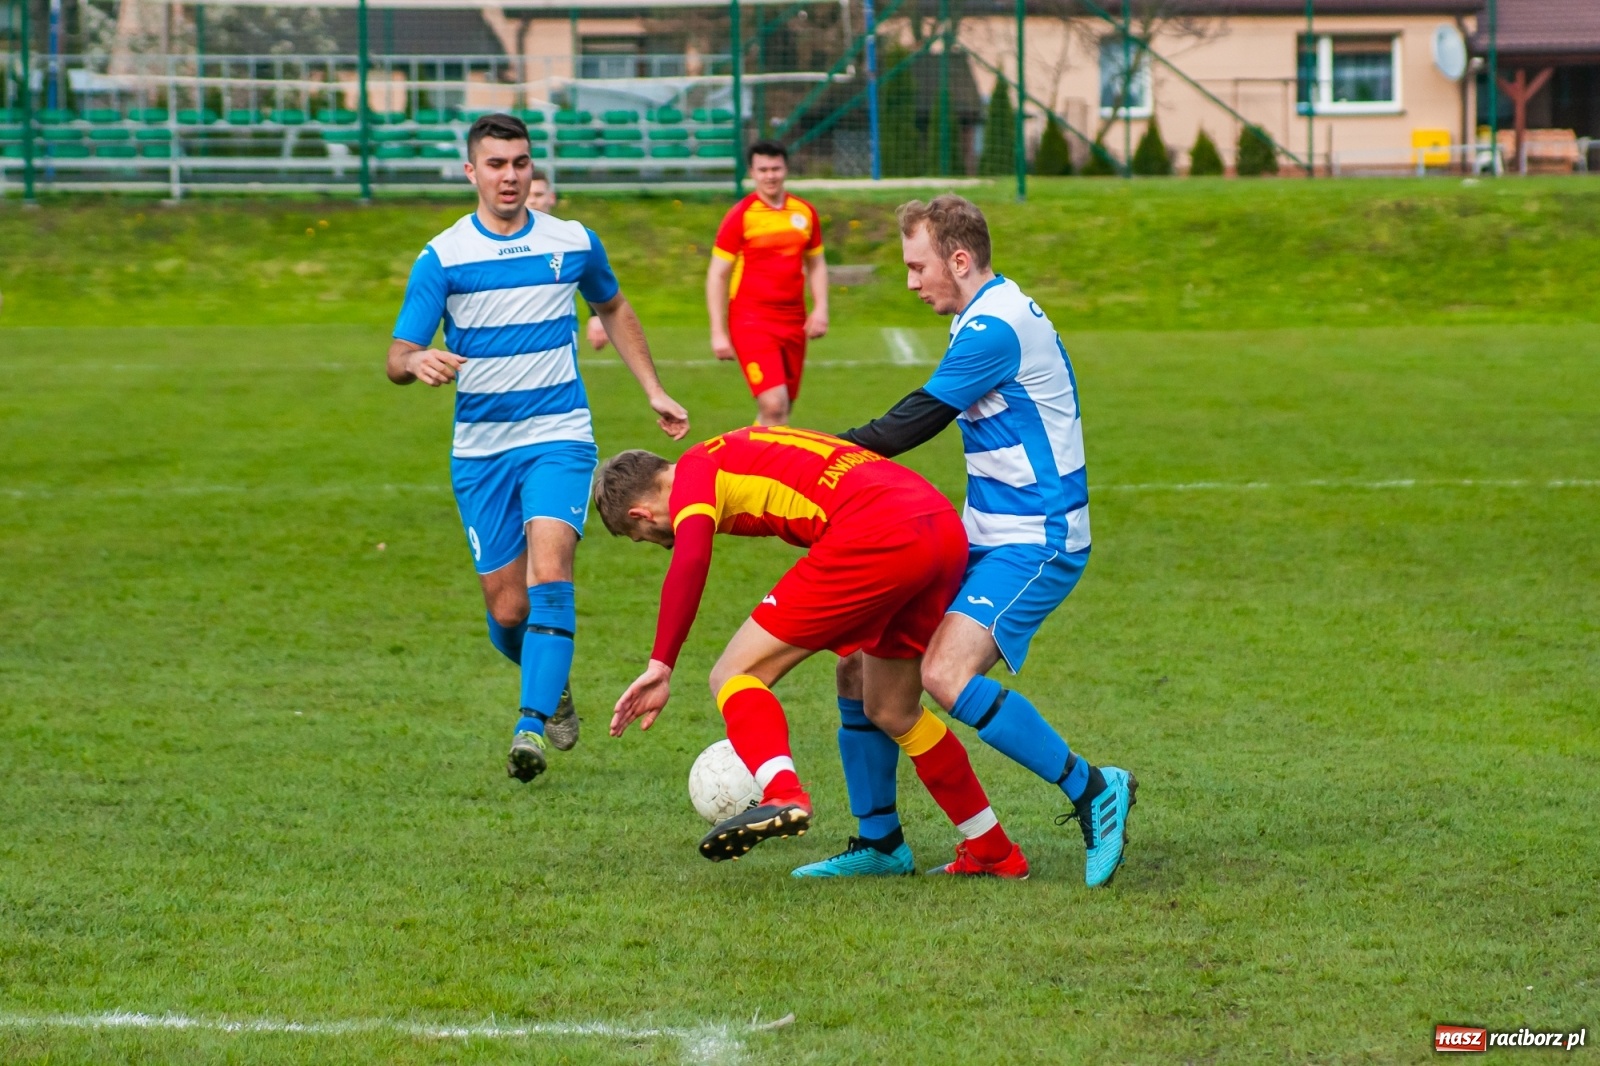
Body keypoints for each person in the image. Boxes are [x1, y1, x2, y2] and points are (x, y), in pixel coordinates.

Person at [800, 195, 1137, 887]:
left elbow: (907, 425)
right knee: (859, 671)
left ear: (960, 259)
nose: (911, 280)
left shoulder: (993, 328)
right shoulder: (985, 314)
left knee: (943, 676)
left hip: (1037, 540)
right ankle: (881, 842)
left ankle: (1095, 788)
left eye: (917, 265)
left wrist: (801, 454)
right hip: (981, 536)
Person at [387, 113, 690, 785]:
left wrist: (653, 388)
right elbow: (397, 353)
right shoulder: (443, 257)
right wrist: (418, 362)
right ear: (471, 172)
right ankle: (550, 686)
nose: (510, 175)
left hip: (559, 436)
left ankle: (529, 727)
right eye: (495, 164)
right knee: (507, 609)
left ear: (533, 169)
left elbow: (612, 306)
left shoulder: (572, 241)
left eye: (520, 163)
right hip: (481, 451)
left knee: (551, 572)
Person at [595, 428, 1030, 878]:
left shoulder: (692, 478)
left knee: (733, 674)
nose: (656, 541)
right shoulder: (733, 445)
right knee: (887, 705)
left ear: (640, 513)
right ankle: (993, 851)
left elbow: (690, 561)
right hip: (937, 526)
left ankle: (782, 793)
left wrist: (660, 665)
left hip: (875, 534)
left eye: (642, 536)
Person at [706, 141, 829, 427]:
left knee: (780, 410)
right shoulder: (741, 215)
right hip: (751, 320)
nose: (770, 176)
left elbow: (817, 263)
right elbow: (717, 274)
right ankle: (772, 469)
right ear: (752, 172)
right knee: (774, 404)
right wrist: (718, 332)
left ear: (786, 169)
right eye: (763, 170)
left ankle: (748, 466)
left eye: (775, 168)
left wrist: (820, 308)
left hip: (793, 322)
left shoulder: (805, 212)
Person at [527, 169, 610, 353]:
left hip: (562, 338)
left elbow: (590, 276)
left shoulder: (569, 239)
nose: (532, 200)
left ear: (551, 198)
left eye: (539, 194)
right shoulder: (505, 242)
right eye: (528, 194)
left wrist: (596, 316)